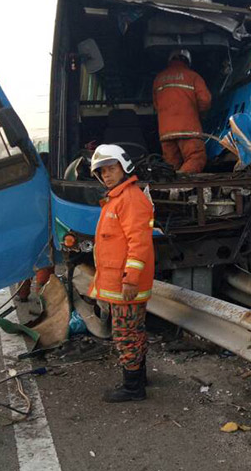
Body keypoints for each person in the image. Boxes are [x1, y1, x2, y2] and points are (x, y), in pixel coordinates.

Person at [88, 144, 155, 402]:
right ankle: (140, 377)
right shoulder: (118, 198)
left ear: (124, 167)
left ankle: (132, 388)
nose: (106, 175)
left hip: (125, 285)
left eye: (111, 168)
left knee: (125, 334)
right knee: (134, 330)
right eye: (102, 171)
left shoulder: (129, 199)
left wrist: (130, 279)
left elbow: (139, 243)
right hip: (121, 283)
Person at [152, 49, 212, 174]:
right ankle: (181, 178)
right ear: (188, 61)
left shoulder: (159, 78)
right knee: (196, 158)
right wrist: (200, 114)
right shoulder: (193, 76)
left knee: (171, 165)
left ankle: (174, 183)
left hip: (165, 132)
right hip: (188, 129)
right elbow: (205, 100)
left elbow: (156, 104)